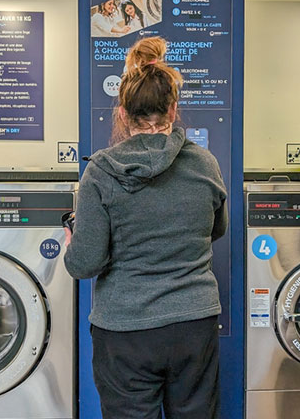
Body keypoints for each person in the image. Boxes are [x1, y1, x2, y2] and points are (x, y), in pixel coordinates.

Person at [63, 36, 227, 418]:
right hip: (194, 325)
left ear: (122, 113)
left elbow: (84, 264)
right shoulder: (205, 164)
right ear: (173, 109)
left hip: (125, 331)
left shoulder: (100, 171)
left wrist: (74, 242)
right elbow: (214, 229)